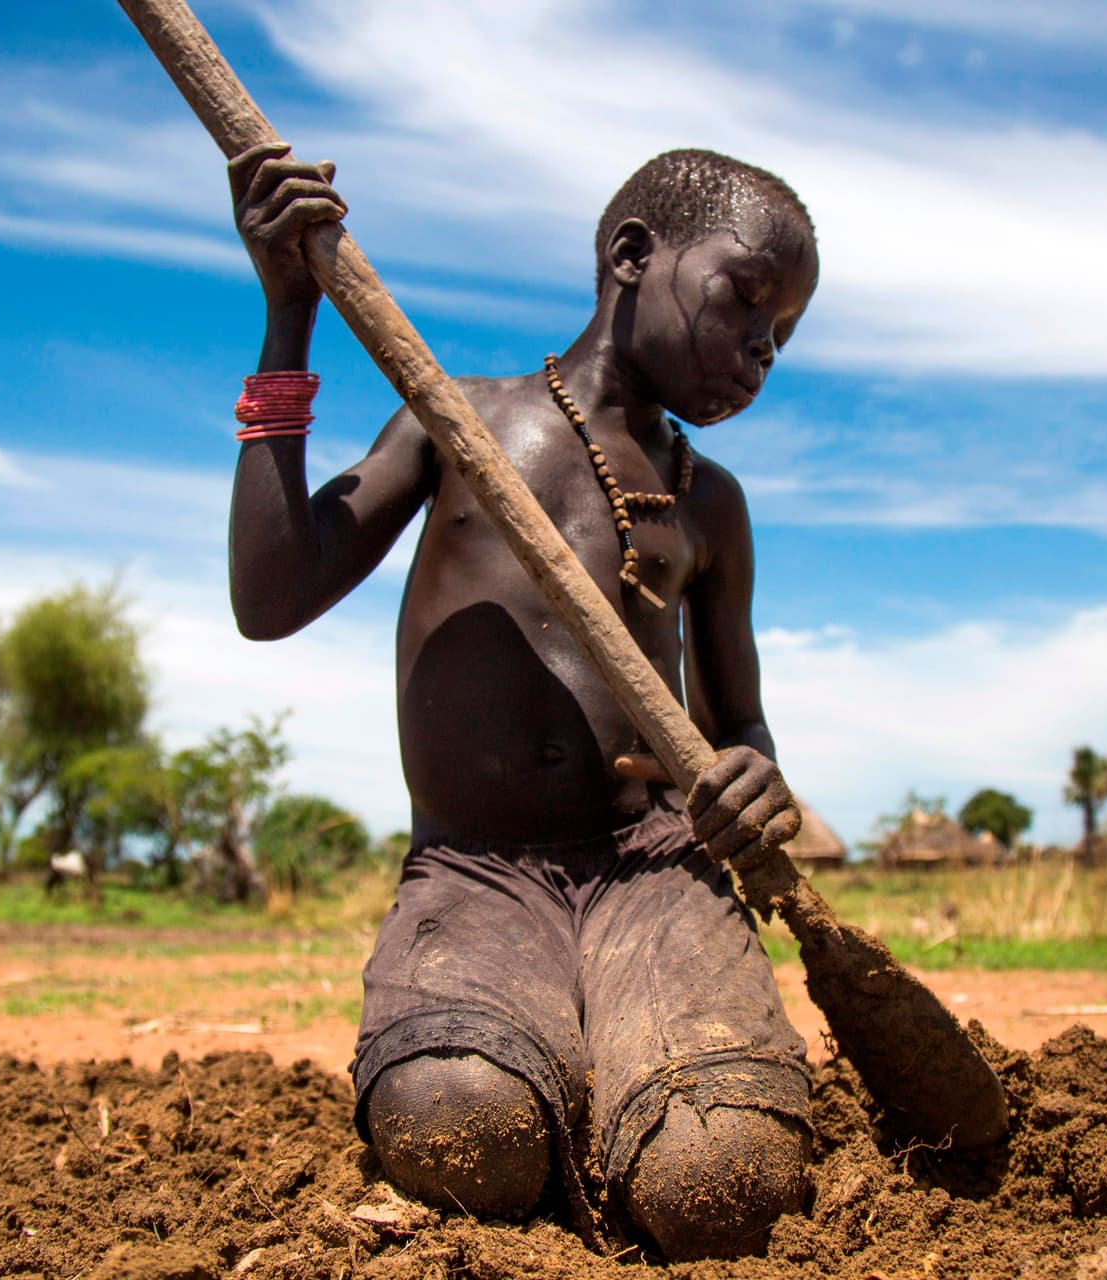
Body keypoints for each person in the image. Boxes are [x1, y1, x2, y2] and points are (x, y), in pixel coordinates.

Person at [228, 143, 820, 1260]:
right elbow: (271, 595)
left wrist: (755, 772)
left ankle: (630, 1053)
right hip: (476, 874)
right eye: (747, 300)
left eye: (781, 336)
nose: (761, 350)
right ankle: (551, 1050)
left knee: (722, 1175)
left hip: (655, 873)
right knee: (464, 1129)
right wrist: (288, 317)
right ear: (633, 255)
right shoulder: (459, 419)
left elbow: (739, 722)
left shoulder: (713, 504)